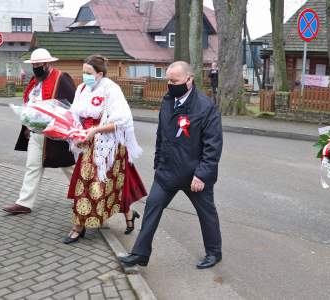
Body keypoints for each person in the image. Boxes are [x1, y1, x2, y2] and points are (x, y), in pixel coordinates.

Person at [120, 61, 223, 269]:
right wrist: (158, 162)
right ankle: (140, 253)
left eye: (174, 80)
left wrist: (202, 175)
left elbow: (213, 146)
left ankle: (214, 252)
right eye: (168, 79)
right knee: (152, 208)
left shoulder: (205, 107)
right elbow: (162, 135)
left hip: (194, 176)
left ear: (189, 80)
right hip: (167, 172)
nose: (170, 84)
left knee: (207, 213)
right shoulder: (168, 101)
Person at [64, 55, 147, 244]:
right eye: (83, 72)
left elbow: (121, 121)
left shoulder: (111, 89)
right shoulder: (82, 89)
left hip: (108, 146)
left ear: (100, 74)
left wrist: (97, 129)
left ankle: (79, 226)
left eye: (88, 73)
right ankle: (83, 224)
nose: (84, 76)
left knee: (106, 185)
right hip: (87, 141)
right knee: (86, 183)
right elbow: (75, 114)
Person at [3, 48, 76, 214]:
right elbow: (30, 104)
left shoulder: (61, 78)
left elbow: (72, 105)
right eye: (33, 64)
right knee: (32, 167)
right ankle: (24, 203)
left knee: (69, 166)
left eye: (38, 64)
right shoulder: (34, 81)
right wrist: (28, 125)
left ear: (47, 63)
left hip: (56, 134)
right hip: (36, 133)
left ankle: (82, 196)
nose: (35, 66)